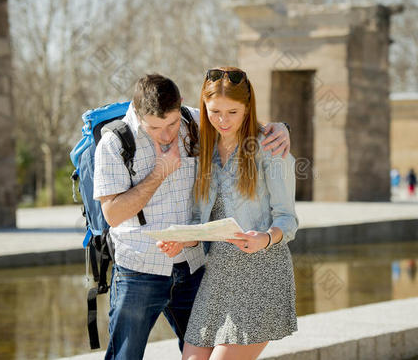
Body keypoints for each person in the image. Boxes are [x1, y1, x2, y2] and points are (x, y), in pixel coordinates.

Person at [94, 73, 291, 360]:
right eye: (155, 127)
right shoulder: (114, 144)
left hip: (192, 267)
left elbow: (241, 122)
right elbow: (112, 215)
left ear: (182, 106)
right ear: (137, 113)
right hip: (139, 270)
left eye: (172, 123)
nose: (166, 134)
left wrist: (282, 129)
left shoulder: (196, 122)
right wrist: (160, 172)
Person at [165, 67, 298, 360]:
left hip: (263, 272)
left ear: (248, 108)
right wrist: (182, 241)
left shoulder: (270, 145)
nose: (223, 120)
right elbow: (201, 224)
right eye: (214, 112)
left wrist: (264, 238)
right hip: (218, 276)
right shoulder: (204, 149)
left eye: (232, 112)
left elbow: (288, 219)